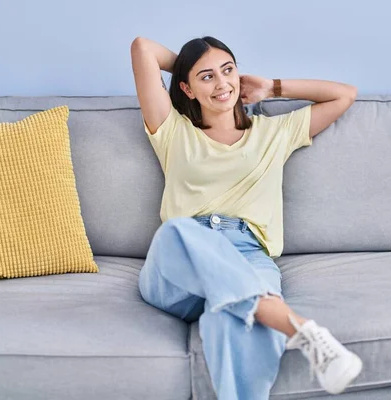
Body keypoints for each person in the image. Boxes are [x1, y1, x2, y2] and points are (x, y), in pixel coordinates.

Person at [131, 35, 362, 399]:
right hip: (182, 260)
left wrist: (273, 87)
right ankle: (300, 329)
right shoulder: (172, 130)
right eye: (206, 78)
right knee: (176, 231)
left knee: (231, 319)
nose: (222, 83)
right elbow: (143, 48)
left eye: (228, 71)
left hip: (248, 253)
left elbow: (345, 94)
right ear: (187, 89)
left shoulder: (275, 133)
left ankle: (260, 311)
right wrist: (189, 69)